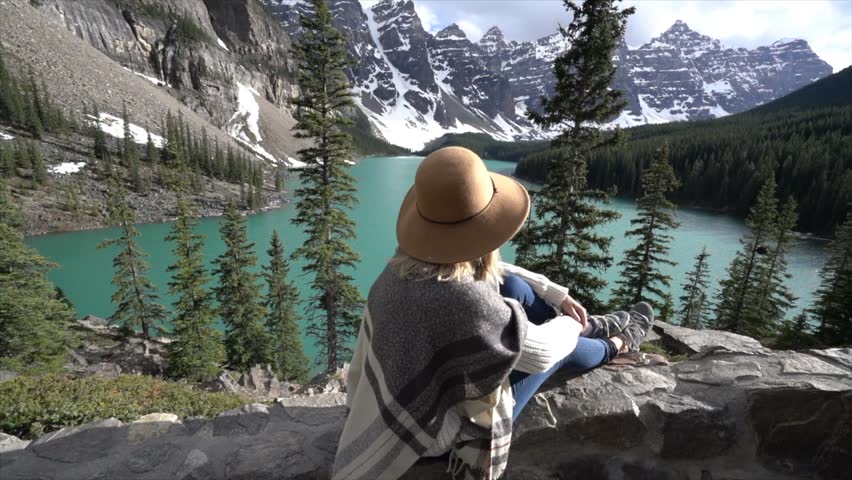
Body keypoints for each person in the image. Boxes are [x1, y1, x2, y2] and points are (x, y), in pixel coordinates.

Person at [332, 147, 654, 480]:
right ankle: (617, 342)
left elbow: (493, 270)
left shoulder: (405, 264)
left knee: (513, 285)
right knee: (561, 349)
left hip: (386, 403)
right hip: (433, 431)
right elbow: (542, 354)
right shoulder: (465, 299)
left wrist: (554, 292)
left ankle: (595, 327)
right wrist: (570, 324)